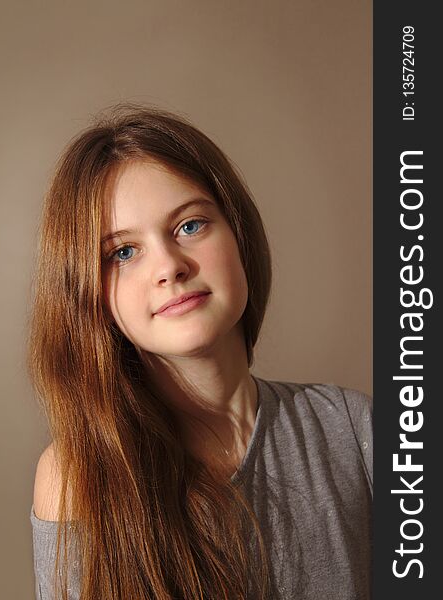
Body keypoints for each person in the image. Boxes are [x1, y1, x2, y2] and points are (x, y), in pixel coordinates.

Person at [27, 104, 372, 600]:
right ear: (87, 292)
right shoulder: (76, 476)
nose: (169, 266)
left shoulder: (357, 430)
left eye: (189, 226)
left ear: (238, 234)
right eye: (122, 252)